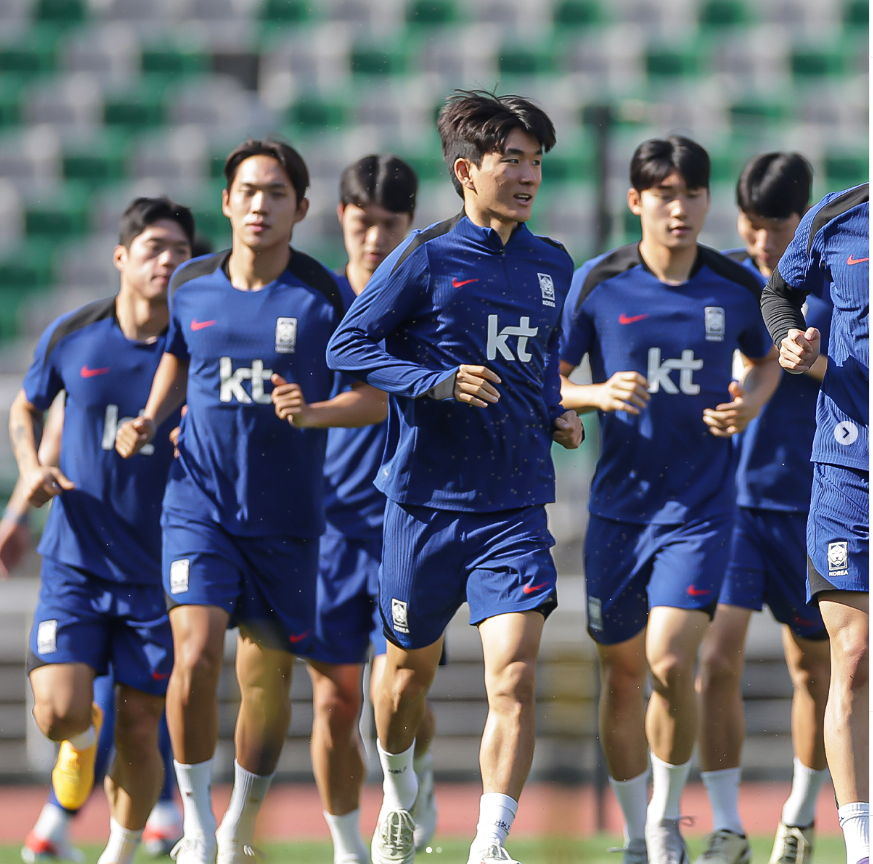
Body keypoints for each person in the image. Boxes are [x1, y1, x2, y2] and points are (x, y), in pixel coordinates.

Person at [327, 89, 584, 864]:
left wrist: (555, 413)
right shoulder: (425, 256)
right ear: (467, 170)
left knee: (514, 675)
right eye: (513, 159)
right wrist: (434, 381)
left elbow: (536, 368)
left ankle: (488, 842)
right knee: (402, 683)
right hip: (423, 508)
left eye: (537, 160)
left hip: (512, 506)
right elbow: (348, 347)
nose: (528, 174)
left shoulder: (552, 264)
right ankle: (401, 787)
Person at [115, 138, 385, 864]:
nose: (259, 205)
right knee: (195, 653)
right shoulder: (192, 284)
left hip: (289, 522)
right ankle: (198, 830)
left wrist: (313, 413)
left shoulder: (326, 298)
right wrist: (152, 415)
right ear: (228, 202)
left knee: (264, 683)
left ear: (300, 209)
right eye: (247, 191)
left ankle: (240, 822)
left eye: (275, 194)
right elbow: (177, 351)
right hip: (196, 505)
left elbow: (373, 400)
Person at [558, 136, 781, 864]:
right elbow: (545, 382)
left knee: (667, 661)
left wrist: (746, 403)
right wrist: (594, 394)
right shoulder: (599, 283)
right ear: (635, 202)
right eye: (662, 195)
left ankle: (663, 825)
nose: (677, 208)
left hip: (700, 510)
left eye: (690, 194)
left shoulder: (728, 285)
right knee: (623, 677)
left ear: (706, 201)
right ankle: (632, 833)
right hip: (617, 513)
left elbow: (768, 354)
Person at [8, 197, 194, 864]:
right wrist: (27, 476)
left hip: (159, 574)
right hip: (75, 564)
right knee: (58, 713)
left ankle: (117, 852)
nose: (167, 260)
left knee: (143, 730)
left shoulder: (199, 349)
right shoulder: (74, 334)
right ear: (121, 257)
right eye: (154, 248)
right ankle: (80, 744)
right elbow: (26, 406)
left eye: (180, 250)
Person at [298, 153, 439, 864]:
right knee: (333, 704)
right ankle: (348, 847)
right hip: (325, 534)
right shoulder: (314, 305)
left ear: (409, 223)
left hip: (403, 527)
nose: (375, 239)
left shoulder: (426, 304)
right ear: (342, 219)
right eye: (363, 223)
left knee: (401, 687)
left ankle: (412, 783)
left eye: (389, 224)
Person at [694, 153, 832, 864]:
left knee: (813, 670)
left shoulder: (835, 289)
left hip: (810, 507)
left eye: (775, 231)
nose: (761, 247)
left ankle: (800, 818)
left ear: (802, 222)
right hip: (730, 507)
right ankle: (724, 826)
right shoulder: (718, 279)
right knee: (714, 660)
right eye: (750, 230)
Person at [760, 183, 869, 864]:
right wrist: (789, 345)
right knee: (850, 656)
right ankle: (858, 844)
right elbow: (777, 295)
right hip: (844, 473)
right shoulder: (836, 215)